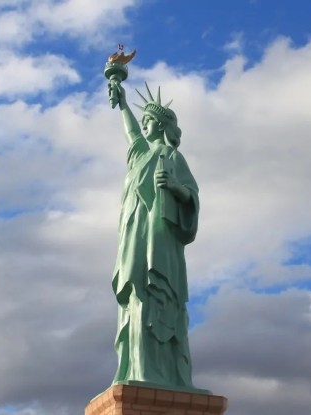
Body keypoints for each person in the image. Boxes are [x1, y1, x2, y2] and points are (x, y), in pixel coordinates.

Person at [108, 79, 201, 390]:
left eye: (148, 121)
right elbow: (132, 135)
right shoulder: (139, 158)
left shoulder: (173, 158)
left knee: (159, 297)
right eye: (144, 121)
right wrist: (122, 102)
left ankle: (167, 374)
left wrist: (174, 187)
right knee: (136, 298)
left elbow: (192, 195)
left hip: (160, 239)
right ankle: (137, 367)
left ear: (160, 125)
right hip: (135, 236)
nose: (144, 126)